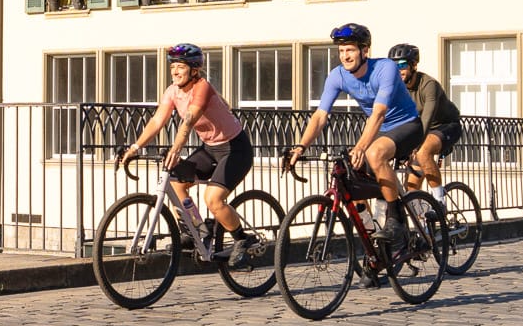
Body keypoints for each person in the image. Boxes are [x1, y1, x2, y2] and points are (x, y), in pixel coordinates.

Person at [281, 23, 423, 242]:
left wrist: (360, 147)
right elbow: (320, 116)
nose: (345, 56)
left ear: (365, 51)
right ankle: (371, 238)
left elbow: (378, 114)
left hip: (406, 125)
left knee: (374, 154)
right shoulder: (337, 76)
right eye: (341, 51)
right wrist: (300, 146)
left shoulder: (386, 68)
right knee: (346, 171)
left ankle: (397, 221)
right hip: (380, 130)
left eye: (350, 50)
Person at [116, 43, 257, 259]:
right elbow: (157, 121)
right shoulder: (173, 91)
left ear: (194, 70)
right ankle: (199, 230)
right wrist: (135, 147)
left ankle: (242, 239)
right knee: (176, 183)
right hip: (210, 149)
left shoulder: (202, 87)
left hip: (235, 149)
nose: (174, 71)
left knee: (213, 198)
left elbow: (189, 120)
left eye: (180, 67)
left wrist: (176, 148)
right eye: (172, 67)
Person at [388, 43, 462, 204]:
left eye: (402, 65)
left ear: (414, 65)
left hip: (446, 125)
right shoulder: (397, 90)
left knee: (422, 152)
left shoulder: (428, 85)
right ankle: (424, 222)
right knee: (412, 186)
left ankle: (439, 200)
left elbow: (427, 117)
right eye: (393, 66)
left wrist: (413, 144)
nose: (398, 70)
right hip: (422, 130)